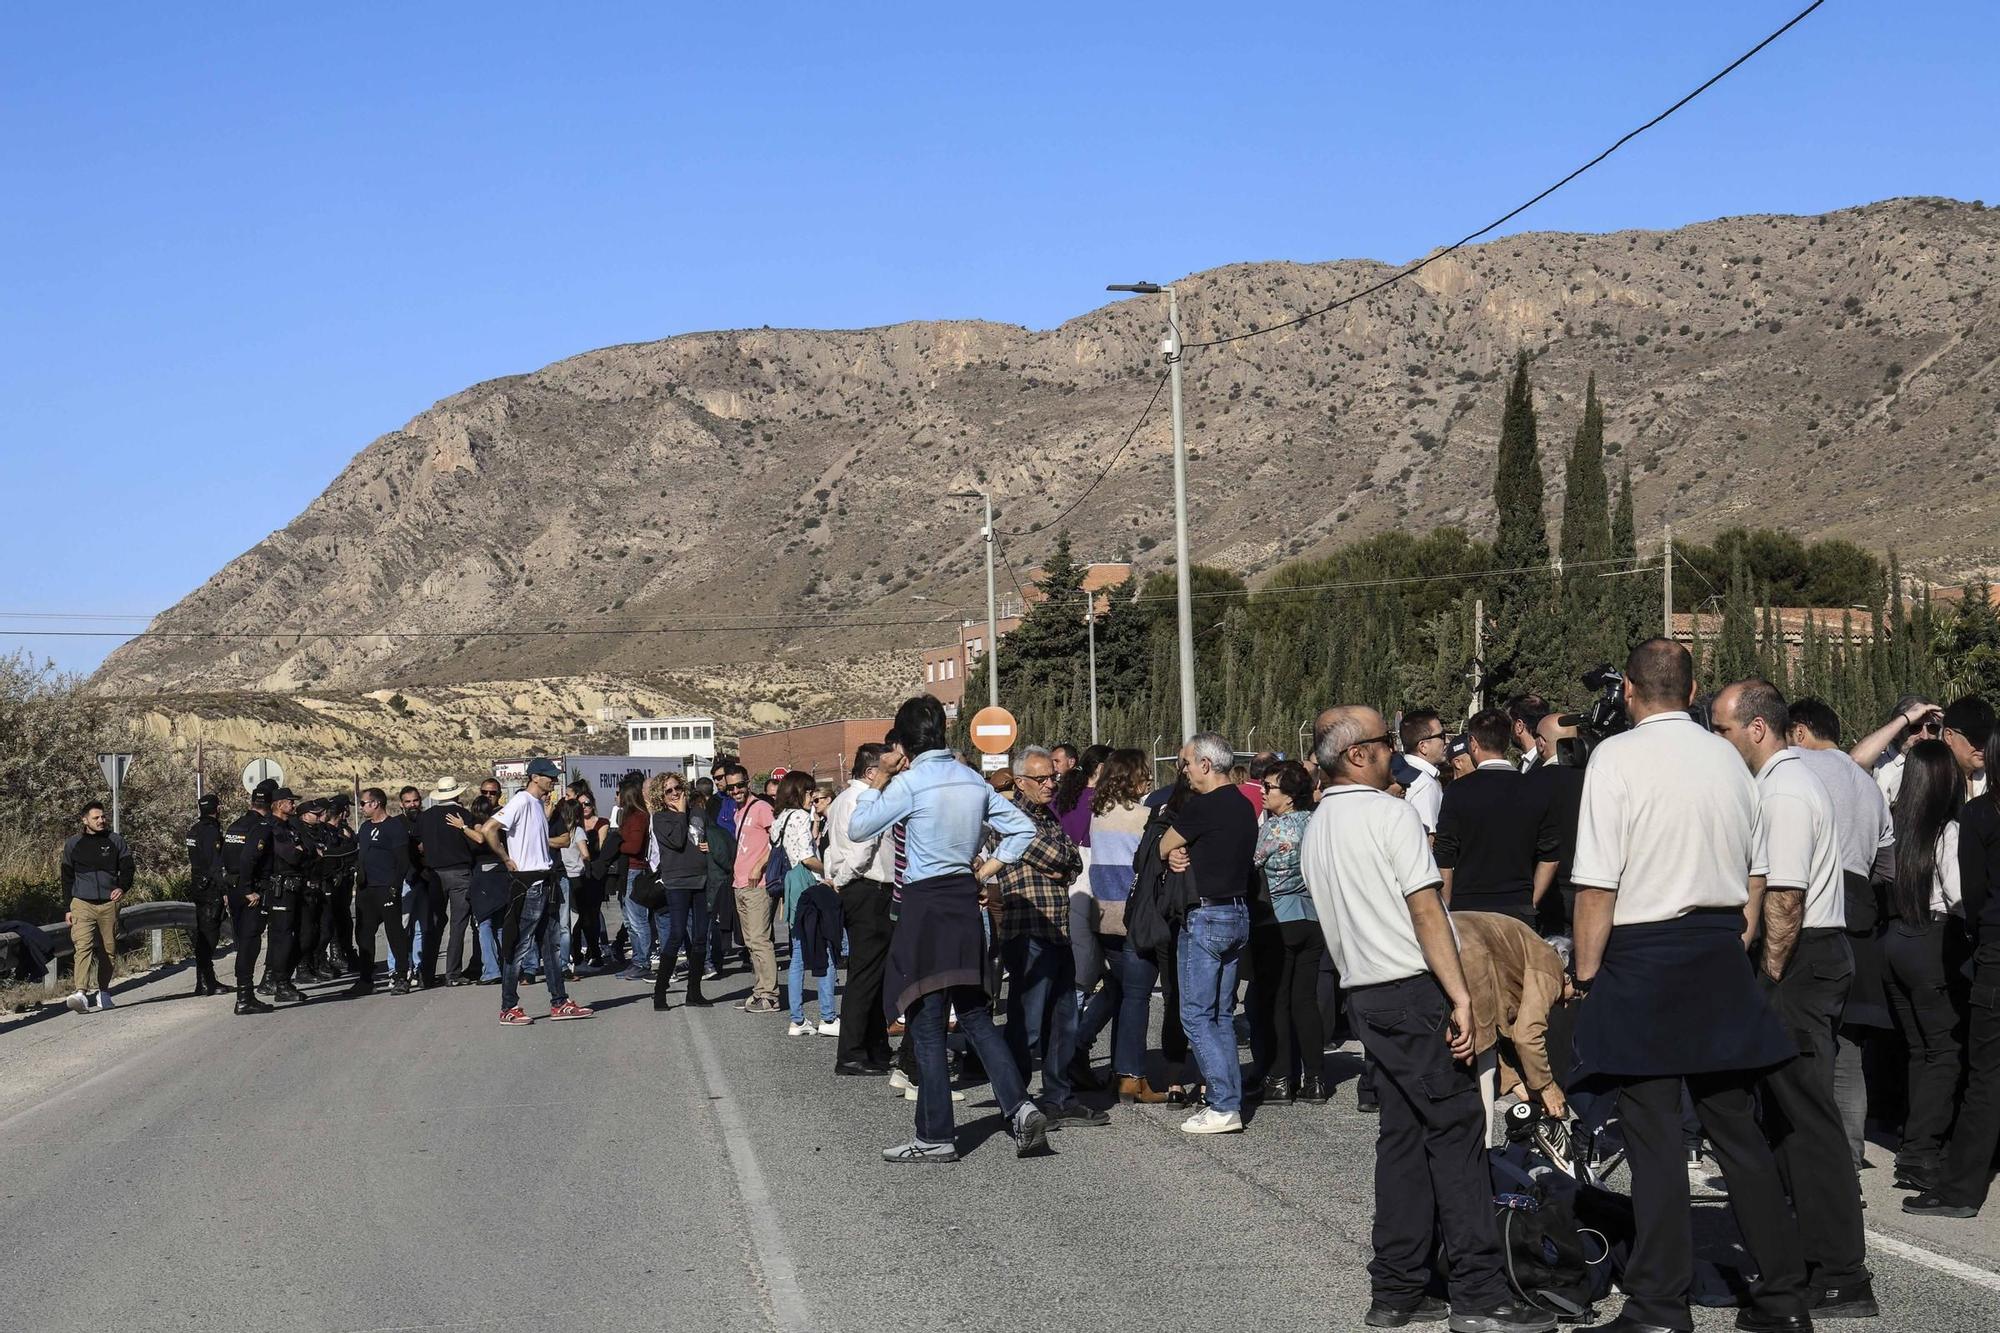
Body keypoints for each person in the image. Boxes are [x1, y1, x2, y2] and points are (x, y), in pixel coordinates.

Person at [1568, 642, 1809, 1333]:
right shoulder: (1727, 758)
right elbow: (1756, 871)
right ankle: (1784, 1298)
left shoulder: (1615, 756)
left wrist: (1586, 972)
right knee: (1737, 1132)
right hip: (1715, 947)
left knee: (1653, 1136)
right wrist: (1736, 942)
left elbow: (1596, 883)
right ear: (1695, 687)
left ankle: (1659, 1303)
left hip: (1643, 952)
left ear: (1631, 693)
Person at [1303, 706, 1550, 1333]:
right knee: (1459, 1132)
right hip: (1412, 991)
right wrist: (1461, 996)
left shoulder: (1317, 826)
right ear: (1356, 754)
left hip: (1367, 995)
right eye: (1385, 742)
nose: (1395, 751)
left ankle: (1398, 1288)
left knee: (1404, 1136)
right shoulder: (1390, 815)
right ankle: (1480, 1292)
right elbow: (1426, 911)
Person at [1711, 678, 1873, 1318]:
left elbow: (1785, 896)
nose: (1718, 742)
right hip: (1807, 957)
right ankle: (1813, 1258)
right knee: (1789, 1118)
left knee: (1807, 1121)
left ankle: (1839, 1271)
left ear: (1756, 727)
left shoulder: (1782, 791)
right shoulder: (1783, 784)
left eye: (1723, 729)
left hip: (1800, 961)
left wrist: (1768, 980)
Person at [850, 694, 1049, 1163]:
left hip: (923, 904)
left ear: (901, 742)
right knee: (976, 1015)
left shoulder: (910, 783)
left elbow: (859, 828)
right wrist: (983, 872)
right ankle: (1019, 1107)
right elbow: (1022, 830)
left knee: (925, 1019)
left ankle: (935, 1133)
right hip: (963, 897)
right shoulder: (972, 779)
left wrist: (883, 777)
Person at [1786, 695, 1897, 1169]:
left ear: (1798, 731)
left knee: (1802, 1040)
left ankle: (1805, 1153)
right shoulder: (1868, 784)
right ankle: (1849, 1153)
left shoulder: (1794, 768)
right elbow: (1887, 866)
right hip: (1861, 915)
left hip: (1810, 906)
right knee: (1849, 1047)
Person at [1905, 722, 2000, 1219]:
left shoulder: (1980, 815)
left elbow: (1976, 896)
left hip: (1995, 954)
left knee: (1985, 1076)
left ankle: (1961, 1189)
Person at [992, 746, 1103, 1128]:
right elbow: (1058, 859)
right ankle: (1017, 1102)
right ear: (1020, 781)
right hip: (1028, 931)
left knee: (1064, 1018)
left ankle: (1059, 1097)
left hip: (1057, 927)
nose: (1050, 784)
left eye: (1051, 777)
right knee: (1026, 1022)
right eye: (1041, 779)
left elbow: (1071, 861)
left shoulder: (1047, 816)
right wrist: (1060, 864)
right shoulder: (1010, 817)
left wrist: (1061, 864)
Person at [1878, 741, 1966, 1194]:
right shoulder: (1946, 831)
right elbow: (1958, 898)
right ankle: (1920, 1153)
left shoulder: (1894, 826)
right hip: (1931, 939)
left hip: (1893, 939)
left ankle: (1911, 1141)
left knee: (1918, 1051)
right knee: (1944, 1053)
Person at [1159, 731, 1257, 1134]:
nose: (1182, 770)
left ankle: (1221, 1103)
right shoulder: (1242, 803)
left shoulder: (1204, 806)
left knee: (1197, 1016)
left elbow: (1166, 843)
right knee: (1219, 1014)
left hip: (1207, 916)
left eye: (1185, 762)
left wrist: (1176, 850)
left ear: (1205, 764)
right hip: (1237, 911)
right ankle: (1228, 1099)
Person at [1076, 748, 1166, 1102]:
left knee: (1116, 987)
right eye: (1144, 773)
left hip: (1103, 914)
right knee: (1137, 996)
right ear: (1132, 777)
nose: (1149, 778)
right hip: (1133, 916)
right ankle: (1131, 1074)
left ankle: (1077, 1046)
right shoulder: (1144, 817)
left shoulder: (1098, 813)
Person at [481, 757, 593, 1026]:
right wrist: (506, 858)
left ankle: (559, 1002)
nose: (553, 781)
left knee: (550, 947)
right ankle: (508, 1007)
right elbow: (488, 829)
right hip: (529, 882)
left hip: (544, 880)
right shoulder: (521, 801)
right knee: (519, 946)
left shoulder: (536, 805)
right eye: (549, 776)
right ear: (534, 777)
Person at [1433, 709, 1559, 925]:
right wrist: (1531, 901)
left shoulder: (1458, 791)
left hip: (1468, 908)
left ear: (1473, 742)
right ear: (1507, 741)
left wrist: (1446, 908)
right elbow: (1550, 855)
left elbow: (1444, 855)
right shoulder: (1536, 788)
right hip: (1518, 904)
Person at [1250, 759, 1323, 1102]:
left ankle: (1280, 1078)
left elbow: (1251, 863)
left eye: (1269, 788)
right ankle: (1316, 1079)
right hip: (1312, 917)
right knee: (1306, 1001)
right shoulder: (1317, 823)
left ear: (1290, 795)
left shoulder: (1275, 829)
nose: (1263, 793)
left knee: (1278, 1001)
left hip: (1279, 919)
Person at [825, 744, 897, 1075]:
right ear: (871, 772)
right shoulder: (862, 799)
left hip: (860, 889)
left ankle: (874, 1046)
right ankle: (852, 1053)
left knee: (871, 973)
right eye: (888, 770)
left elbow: (830, 848)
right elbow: (862, 847)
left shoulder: (840, 800)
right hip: (868, 889)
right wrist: (844, 878)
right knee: (866, 976)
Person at [771, 771, 837, 1035]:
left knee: (798, 952)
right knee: (825, 946)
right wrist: (831, 872)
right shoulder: (798, 816)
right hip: (807, 881)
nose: (813, 797)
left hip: (790, 884)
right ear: (799, 792)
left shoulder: (780, 818)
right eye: (810, 792)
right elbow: (807, 857)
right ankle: (828, 1016)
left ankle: (798, 1018)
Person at [241, 788, 316, 1007]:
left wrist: (302, 850)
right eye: (290, 802)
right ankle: (280, 983)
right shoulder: (268, 828)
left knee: (305, 936)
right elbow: (289, 855)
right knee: (282, 938)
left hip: (297, 888)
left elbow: (310, 850)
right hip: (280, 890)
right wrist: (247, 889)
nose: (294, 806)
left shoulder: (290, 826)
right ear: (279, 804)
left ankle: (279, 978)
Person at [60, 800, 134, 1014]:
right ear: (85, 820)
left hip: (108, 905)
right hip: (81, 903)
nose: (101, 820)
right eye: (96, 817)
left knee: (108, 950)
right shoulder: (73, 844)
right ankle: (81, 994)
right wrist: (68, 907)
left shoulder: (115, 841)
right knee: (82, 946)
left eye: (103, 817)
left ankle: (103, 992)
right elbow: (66, 876)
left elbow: (128, 868)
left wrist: (122, 887)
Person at [648, 773, 712, 1011]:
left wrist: (711, 846)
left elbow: (710, 836)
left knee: (700, 936)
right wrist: (682, 812)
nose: (675, 793)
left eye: (677, 788)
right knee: (676, 935)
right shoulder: (661, 818)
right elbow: (676, 841)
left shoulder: (698, 813)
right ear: (661, 796)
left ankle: (694, 992)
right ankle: (660, 992)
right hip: (676, 881)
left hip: (701, 879)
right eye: (668, 791)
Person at [1523, 712, 1587, 937]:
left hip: (1548, 888)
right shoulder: (1593, 779)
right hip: (1589, 885)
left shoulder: (1530, 784)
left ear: (1541, 742)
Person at [415, 777, 480, 987]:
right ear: (457, 794)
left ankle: (426, 973)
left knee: (433, 924)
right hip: (460, 872)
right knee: (458, 925)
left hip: (434, 874)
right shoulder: (463, 815)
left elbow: (417, 842)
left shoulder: (426, 817)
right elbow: (476, 843)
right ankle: (452, 973)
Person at [351, 787, 415, 996]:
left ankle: (401, 976)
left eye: (363, 803)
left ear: (376, 803)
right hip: (366, 889)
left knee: (394, 932)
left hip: (386, 887)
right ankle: (365, 979)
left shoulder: (394, 827)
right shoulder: (366, 828)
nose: (361, 808)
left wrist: (395, 885)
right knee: (364, 933)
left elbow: (403, 860)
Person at [728, 763, 782, 1012]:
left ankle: (770, 996)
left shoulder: (760, 808)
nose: (735, 790)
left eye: (739, 785)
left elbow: (778, 839)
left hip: (757, 885)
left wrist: (759, 865)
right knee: (750, 942)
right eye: (730, 787)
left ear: (748, 783)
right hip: (740, 884)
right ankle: (760, 991)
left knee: (760, 940)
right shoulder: (738, 812)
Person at [222, 781, 276, 1014]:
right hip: (250, 891)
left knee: (243, 942)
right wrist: (248, 889)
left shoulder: (235, 826)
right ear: (272, 803)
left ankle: (245, 994)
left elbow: (223, 859)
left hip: (233, 889)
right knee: (249, 942)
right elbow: (248, 860)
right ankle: (245, 997)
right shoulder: (261, 826)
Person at [1851, 694, 1942, 806]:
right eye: (1915, 728)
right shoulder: (1880, 765)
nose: (1925, 736)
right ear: (1898, 732)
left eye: (1932, 728)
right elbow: (1855, 761)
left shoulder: (1942, 766)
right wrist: (1905, 718)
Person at [182, 793, 228, 997]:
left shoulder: (195, 830)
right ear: (217, 809)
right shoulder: (210, 831)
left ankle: (204, 981)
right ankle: (206, 982)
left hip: (199, 885)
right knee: (209, 936)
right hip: (210, 889)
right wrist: (225, 890)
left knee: (205, 934)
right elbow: (214, 863)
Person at [615, 776, 657, 981]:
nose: (617, 797)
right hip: (627, 871)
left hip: (635, 870)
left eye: (619, 793)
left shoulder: (638, 817)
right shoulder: (627, 816)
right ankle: (637, 960)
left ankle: (643, 961)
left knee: (638, 919)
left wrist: (616, 844)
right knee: (629, 920)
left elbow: (634, 846)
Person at [395, 786, 428, 985]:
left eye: (415, 800)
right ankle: (398, 968)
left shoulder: (426, 821)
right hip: (406, 880)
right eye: (407, 802)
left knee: (420, 928)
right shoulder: (397, 824)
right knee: (402, 927)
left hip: (425, 879)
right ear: (401, 804)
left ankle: (417, 967)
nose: (412, 804)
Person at [1398, 709, 1448, 837]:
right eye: (1441, 736)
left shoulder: (1399, 772)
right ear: (1423, 746)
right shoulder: (1426, 785)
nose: (1446, 741)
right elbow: (1429, 840)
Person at [1940, 696, 1993, 798]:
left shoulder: (1992, 777)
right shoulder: (1932, 781)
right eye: (1975, 738)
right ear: (1949, 736)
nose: (1983, 746)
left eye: (1987, 738)